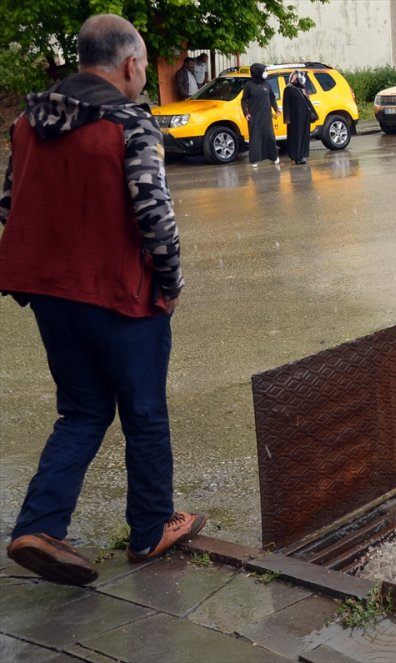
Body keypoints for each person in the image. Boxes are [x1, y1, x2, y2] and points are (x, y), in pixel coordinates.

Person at [0, 13, 205, 586]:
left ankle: (38, 526)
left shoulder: (28, 123)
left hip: (49, 295)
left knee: (84, 409)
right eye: (141, 66)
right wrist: (171, 283)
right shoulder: (129, 123)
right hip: (120, 295)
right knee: (143, 414)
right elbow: (154, 216)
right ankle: (150, 530)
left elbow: (11, 205)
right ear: (131, 64)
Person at [241, 63, 280, 166]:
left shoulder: (267, 84)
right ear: (257, 73)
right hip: (254, 116)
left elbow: (272, 98)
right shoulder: (249, 85)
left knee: (270, 136)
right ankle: (255, 160)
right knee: (256, 138)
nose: (265, 73)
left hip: (266, 116)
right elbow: (244, 100)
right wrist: (246, 112)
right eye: (263, 71)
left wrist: (276, 109)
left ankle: (274, 157)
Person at [282, 71, 317, 165]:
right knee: (296, 137)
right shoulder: (288, 89)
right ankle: (297, 157)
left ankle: (303, 156)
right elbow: (286, 104)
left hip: (305, 118)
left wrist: (314, 114)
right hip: (295, 119)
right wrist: (287, 118)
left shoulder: (303, 89)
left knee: (305, 136)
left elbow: (308, 103)